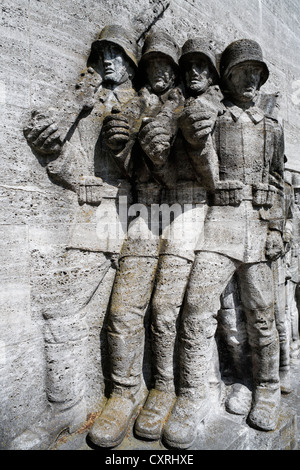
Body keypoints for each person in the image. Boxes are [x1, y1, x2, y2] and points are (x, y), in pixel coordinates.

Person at [10, 25, 140, 450]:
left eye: (116, 54)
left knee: (92, 312)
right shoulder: (88, 103)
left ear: (132, 62)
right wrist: (75, 170)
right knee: (73, 315)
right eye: (101, 52)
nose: (107, 60)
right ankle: (69, 405)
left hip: (129, 219)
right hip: (88, 218)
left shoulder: (140, 105)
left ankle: (101, 400)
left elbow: (154, 168)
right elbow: (61, 156)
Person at [162, 39, 285, 449]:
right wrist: (196, 142)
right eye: (242, 72)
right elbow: (196, 166)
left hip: (259, 226)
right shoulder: (212, 118)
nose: (251, 79)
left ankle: (265, 387)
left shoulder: (270, 128)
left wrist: (278, 229)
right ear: (227, 78)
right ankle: (194, 394)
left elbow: (278, 182)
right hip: (220, 225)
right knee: (197, 308)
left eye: (257, 72)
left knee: (262, 315)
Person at [88, 30, 184, 449]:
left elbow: (200, 171)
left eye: (167, 65)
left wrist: (169, 156)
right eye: (153, 65)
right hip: (145, 213)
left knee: (167, 313)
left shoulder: (192, 108)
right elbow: (133, 171)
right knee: (125, 310)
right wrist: (123, 149)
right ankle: (125, 393)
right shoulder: (133, 106)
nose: (159, 73)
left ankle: (165, 389)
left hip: (188, 215)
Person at [134, 38, 223, 442]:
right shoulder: (172, 108)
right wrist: (155, 157)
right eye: (189, 67)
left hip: (197, 209)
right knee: (160, 307)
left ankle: (185, 391)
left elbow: (215, 181)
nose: (193, 73)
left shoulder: (218, 113)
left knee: (170, 308)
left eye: (202, 66)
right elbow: (165, 174)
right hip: (163, 205)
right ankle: (163, 387)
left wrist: (199, 145)